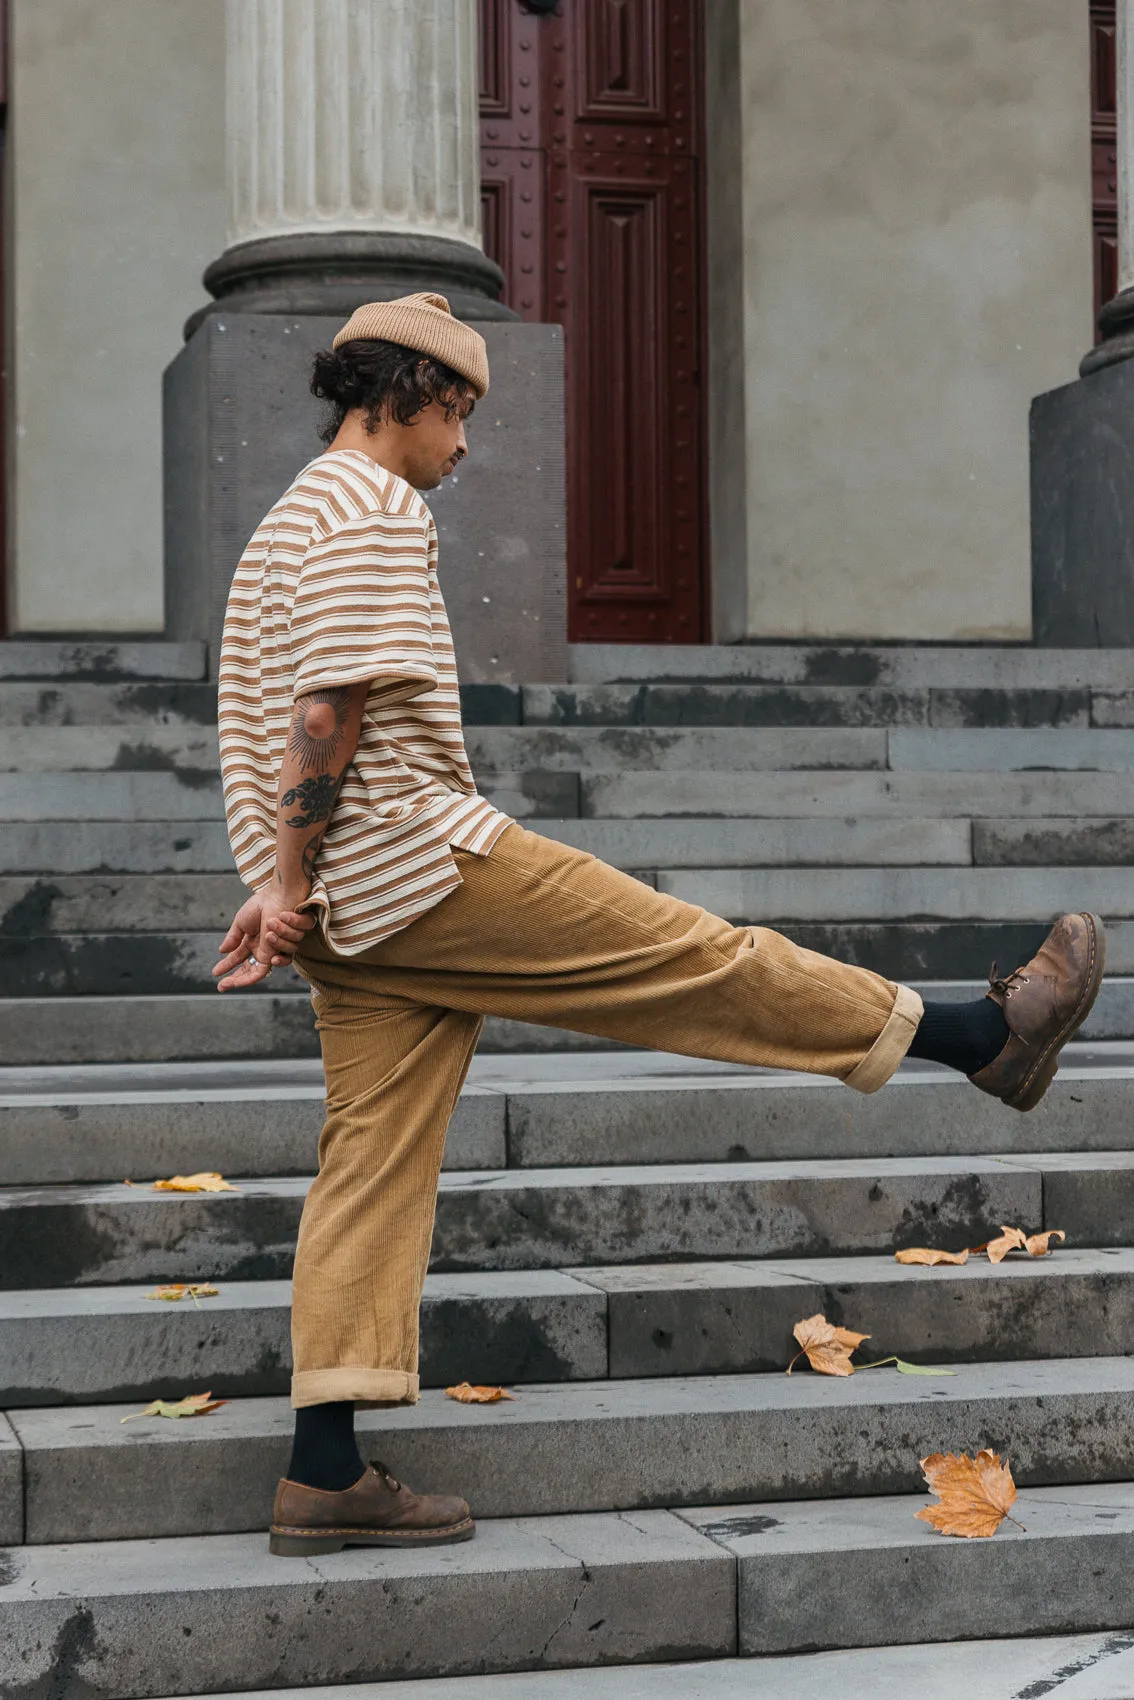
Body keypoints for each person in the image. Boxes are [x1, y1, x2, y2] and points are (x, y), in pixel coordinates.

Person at [213, 290, 1105, 1559]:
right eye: (458, 412)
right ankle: (976, 1035)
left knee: (368, 1158)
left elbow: (286, 722)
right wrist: (289, 882)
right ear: (404, 393)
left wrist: (288, 883)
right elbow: (322, 717)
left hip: (351, 910)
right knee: (698, 957)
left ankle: (323, 1470)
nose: (464, 446)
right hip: (415, 865)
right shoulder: (371, 505)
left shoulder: (282, 521)